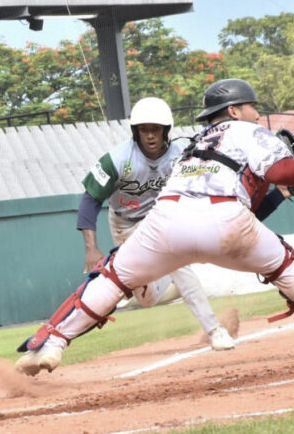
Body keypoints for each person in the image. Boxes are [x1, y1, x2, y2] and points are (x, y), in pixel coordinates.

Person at [15, 78, 294, 376]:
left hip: (165, 220)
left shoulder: (194, 144)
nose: (256, 113)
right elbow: (278, 173)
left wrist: (280, 192)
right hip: (223, 215)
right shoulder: (247, 130)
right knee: (286, 264)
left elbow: (250, 204)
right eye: (252, 106)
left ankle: (53, 343)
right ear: (234, 111)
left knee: (112, 278)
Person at [77, 96, 235, 351]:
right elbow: (90, 201)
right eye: (144, 129)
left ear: (166, 131)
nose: (150, 135)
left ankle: (215, 330)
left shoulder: (181, 155)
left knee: (179, 265)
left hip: (162, 218)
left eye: (156, 129)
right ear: (135, 132)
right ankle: (169, 279)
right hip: (126, 225)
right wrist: (91, 248)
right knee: (147, 299)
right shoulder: (117, 159)